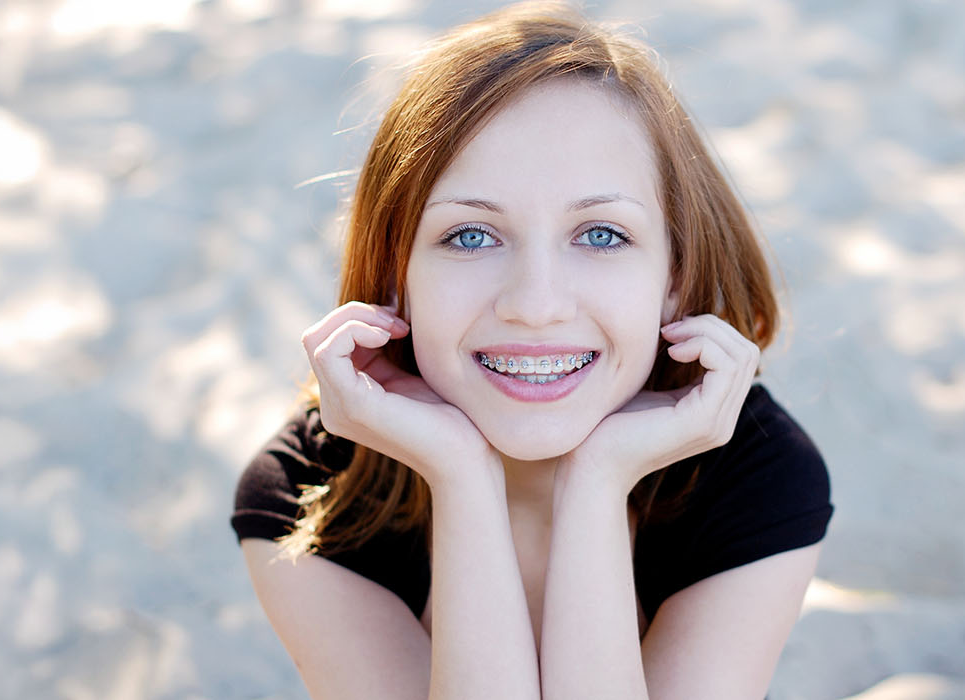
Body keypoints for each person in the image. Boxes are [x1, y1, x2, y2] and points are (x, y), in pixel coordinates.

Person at [229, 3, 833, 698]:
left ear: (675, 278)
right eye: (471, 236)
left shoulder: (753, 472)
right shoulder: (311, 494)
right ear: (397, 276)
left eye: (601, 234)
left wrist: (598, 481)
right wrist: (461, 477)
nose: (536, 304)